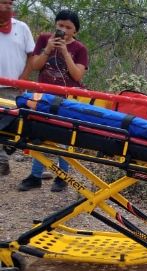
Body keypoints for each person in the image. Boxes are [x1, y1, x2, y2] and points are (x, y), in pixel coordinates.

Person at [17, 9, 88, 192]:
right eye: (60, 25)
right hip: (42, 96)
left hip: (66, 100)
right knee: (38, 135)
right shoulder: (44, 39)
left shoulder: (80, 49)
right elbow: (35, 65)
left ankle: (62, 176)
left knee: (64, 138)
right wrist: (48, 49)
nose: (63, 30)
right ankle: (35, 175)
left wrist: (65, 52)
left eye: (68, 27)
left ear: (75, 30)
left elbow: (77, 75)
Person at [0, 0, 35, 176]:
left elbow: (32, 56)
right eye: (3, 2)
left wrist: (24, 79)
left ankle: (4, 158)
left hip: (13, 87)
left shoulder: (21, 27)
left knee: (9, 126)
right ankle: (2, 162)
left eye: (10, 3)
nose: (8, 6)